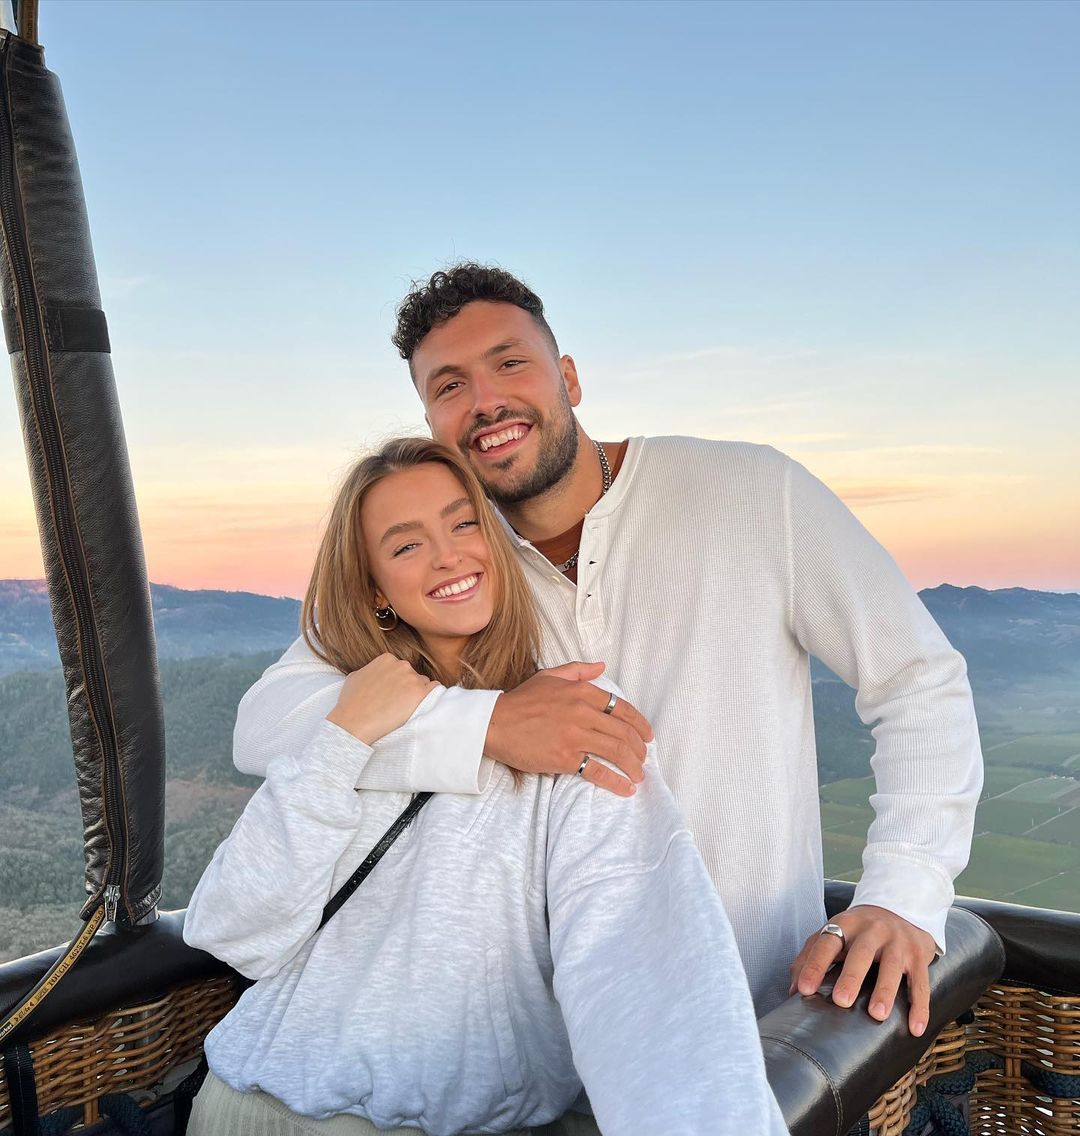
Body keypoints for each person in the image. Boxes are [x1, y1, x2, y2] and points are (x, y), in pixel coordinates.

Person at [234, 263, 983, 1032]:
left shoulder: (753, 491)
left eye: (509, 362)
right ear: (434, 426)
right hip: (553, 1056)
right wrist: (486, 725)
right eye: (450, 386)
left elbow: (915, 679)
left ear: (568, 377)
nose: (486, 400)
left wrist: (903, 891)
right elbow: (268, 722)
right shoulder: (455, 573)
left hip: (770, 1020)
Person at [179, 438, 796, 1136]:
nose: (448, 555)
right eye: (406, 543)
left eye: (464, 523)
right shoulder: (345, 710)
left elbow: (647, 957)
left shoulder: (576, 722)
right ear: (376, 587)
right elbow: (238, 928)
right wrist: (346, 739)